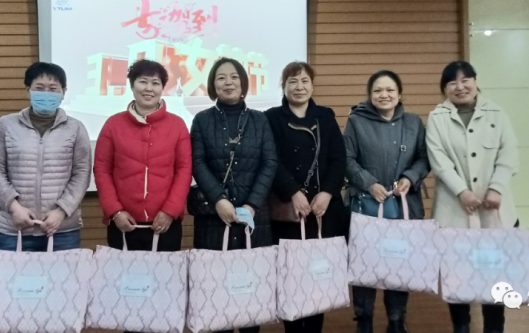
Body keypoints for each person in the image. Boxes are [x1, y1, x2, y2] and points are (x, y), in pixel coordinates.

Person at [426, 61, 520, 333]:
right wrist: (462, 191)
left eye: (465, 80)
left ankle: (494, 328)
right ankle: (462, 326)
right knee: (457, 273)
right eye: (452, 82)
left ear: (476, 82)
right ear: (444, 88)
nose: (460, 87)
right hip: (454, 210)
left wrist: (497, 188)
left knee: (495, 274)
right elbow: (438, 160)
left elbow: (509, 153)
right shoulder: (437, 117)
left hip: (494, 210)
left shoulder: (497, 113)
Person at [190, 57, 278, 333]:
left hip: (255, 218)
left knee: (250, 292)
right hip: (214, 218)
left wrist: (251, 204)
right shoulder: (202, 120)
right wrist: (219, 200)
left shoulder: (259, 120)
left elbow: (269, 163)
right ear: (212, 85)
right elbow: (197, 163)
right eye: (221, 78)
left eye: (234, 77)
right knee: (216, 293)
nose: (228, 82)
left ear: (243, 83)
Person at [343, 70, 430, 333]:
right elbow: (346, 159)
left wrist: (410, 177)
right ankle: (364, 321)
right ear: (370, 95)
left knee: (399, 263)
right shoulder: (356, 121)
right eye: (378, 90)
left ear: (399, 94)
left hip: (404, 207)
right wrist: (369, 183)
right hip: (366, 206)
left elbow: (424, 158)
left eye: (390, 90)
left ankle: (396, 321)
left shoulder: (413, 123)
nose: (384, 95)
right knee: (364, 264)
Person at [265, 61, 348, 333]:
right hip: (287, 209)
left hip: (322, 210)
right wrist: (292, 192)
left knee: (316, 276)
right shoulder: (271, 117)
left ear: (312, 86)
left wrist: (327, 193)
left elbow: (338, 158)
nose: (299, 87)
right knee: (289, 275)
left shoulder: (325, 116)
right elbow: (271, 160)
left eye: (304, 81)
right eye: (292, 81)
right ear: (283, 86)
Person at [0, 62, 91, 251]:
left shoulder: (75, 128)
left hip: (63, 230)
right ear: (28, 90)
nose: (46, 93)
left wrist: (61, 211)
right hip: (16, 228)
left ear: (64, 91)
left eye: (53, 88)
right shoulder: (6, 124)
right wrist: (14, 208)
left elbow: (82, 173)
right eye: (39, 88)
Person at [94, 59, 192, 253]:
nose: (149, 88)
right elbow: (102, 170)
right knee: (123, 273)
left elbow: (184, 170)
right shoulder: (113, 125)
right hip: (123, 222)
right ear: (132, 85)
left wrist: (170, 211)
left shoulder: (177, 125)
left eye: (155, 83)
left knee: (167, 272)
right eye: (143, 81)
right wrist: (115, 211)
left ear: (162, 88)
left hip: (166, 223)